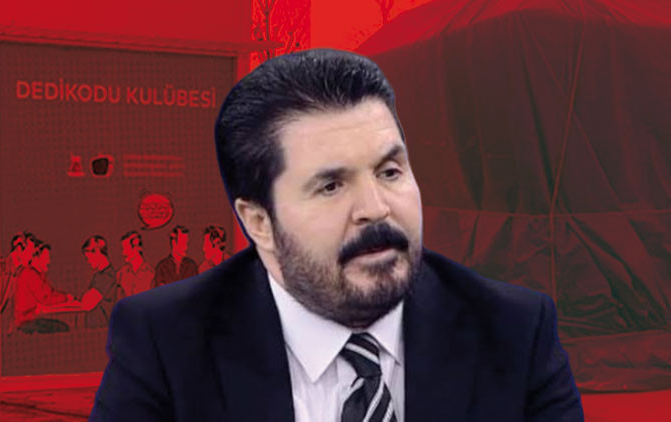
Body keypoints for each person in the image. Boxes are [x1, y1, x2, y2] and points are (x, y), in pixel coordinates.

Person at [91, 49, 583, 421]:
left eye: (390, 172)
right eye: (331, 186)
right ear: (259, 222)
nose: (375, 209)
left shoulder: (514, 332)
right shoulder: (166, 344)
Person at [13, 241, 73, 334]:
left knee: (62, 326)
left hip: (32, 318)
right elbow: (45, 300)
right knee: (63, 328)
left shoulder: (38, 274)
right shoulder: (30, 274)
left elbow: (50, 292)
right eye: (46, 258)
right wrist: (66, 298)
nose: (48, 261)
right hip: (26, 322)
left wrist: (66, 296)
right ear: (36, 258)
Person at [74, 235, 120, 329]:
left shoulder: (107, 276)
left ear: (98, 252)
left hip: (102, 329)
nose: (88, 261)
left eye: (88, 258)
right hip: (95, 328)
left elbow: (87, 304)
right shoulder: (98, 276)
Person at [116, 231, 154, 298]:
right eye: (122, 249)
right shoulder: (121, 274)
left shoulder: (151, 274)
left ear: (136, 248)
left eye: (126, 248)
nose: (123, 253)